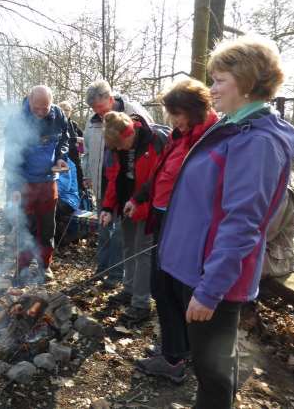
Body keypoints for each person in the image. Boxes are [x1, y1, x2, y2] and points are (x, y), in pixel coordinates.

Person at [157, 36, 294, 408]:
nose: (212, 89)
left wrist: (209, 290)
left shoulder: (258, 142)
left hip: (213, 277)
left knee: (213, 372)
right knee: (211, 366)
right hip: (196, 266)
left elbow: (243, 222)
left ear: (248, 82)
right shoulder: (235, 128)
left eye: (219, 80)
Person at [127, 79, 218, 382]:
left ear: (194, 110)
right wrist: (138, 198)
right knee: (163, 287)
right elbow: (161, 174)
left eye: (177, 113)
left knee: (170, 288)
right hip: (163, 217)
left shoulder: (209, 139)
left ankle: (175, 358)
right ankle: (177, 348)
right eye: (170, 114)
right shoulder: (180, 136)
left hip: (186, 225)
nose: (173, 120)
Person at [99, 111, 169, 324]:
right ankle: (128, 290)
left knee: (143, 252)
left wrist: (141, 207)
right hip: (127, 203)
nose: (118, 150)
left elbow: (159, 184)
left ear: (128, 133)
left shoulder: (154, 142)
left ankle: (141, 303)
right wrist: (108, 208)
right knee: (128, 247)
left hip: (148, 206)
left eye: (120, 145)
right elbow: (113, 179)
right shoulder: (116, 147)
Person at [82, 80, 153, 289]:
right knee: (103, 227)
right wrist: (88, 175)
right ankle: (102, 268)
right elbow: (87, 151)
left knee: (122, 235)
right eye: (94, 108)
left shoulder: (134, 113)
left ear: (111, 99)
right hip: (103, 182)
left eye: (101, 107)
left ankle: (116, 274)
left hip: (127, 184)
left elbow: (146, 148)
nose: (98, 112)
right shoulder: (92, 121)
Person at [4, 85, 69, 283]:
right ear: (29, 101)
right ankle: (22, 268)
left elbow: (65, 140)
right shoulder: (17, 121)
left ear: (52, 103)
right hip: (25, 182)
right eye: (36, 108)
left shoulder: (58, 116)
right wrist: (14, 187)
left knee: (48, 227)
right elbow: (11, 157)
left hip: (49, 182)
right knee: (25, 227)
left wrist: (60, 157)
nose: (41, 112)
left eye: (45, 108)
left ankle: (45, 266)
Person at [57, 101, 84, 196]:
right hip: (63, 158)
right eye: (62, 109)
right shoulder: (57, 124)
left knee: (79, 183)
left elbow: (84, 139)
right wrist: (75, 140)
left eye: (67, 110)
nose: (65, 112)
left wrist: (81, 144)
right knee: (66, 186)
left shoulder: (74, 125)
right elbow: (61, 140)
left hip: (75, 158)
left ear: (70, 112)